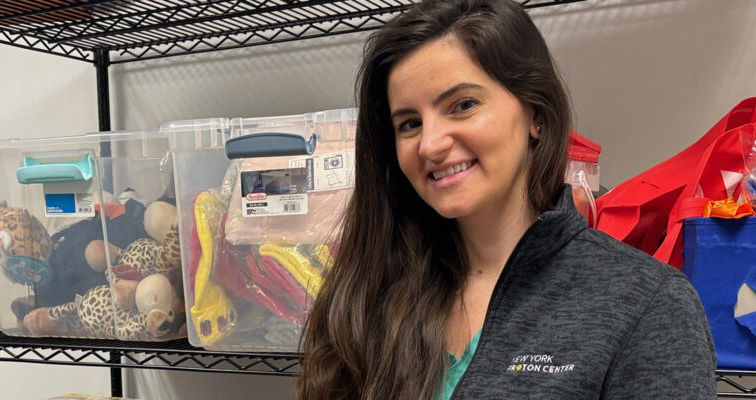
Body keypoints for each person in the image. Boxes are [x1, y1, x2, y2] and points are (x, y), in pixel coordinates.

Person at [296, 1, 717, 399]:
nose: (430, 144)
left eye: (462, 105)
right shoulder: (371, 290)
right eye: (409, 123)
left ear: (534, 112)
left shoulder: (647, 304)